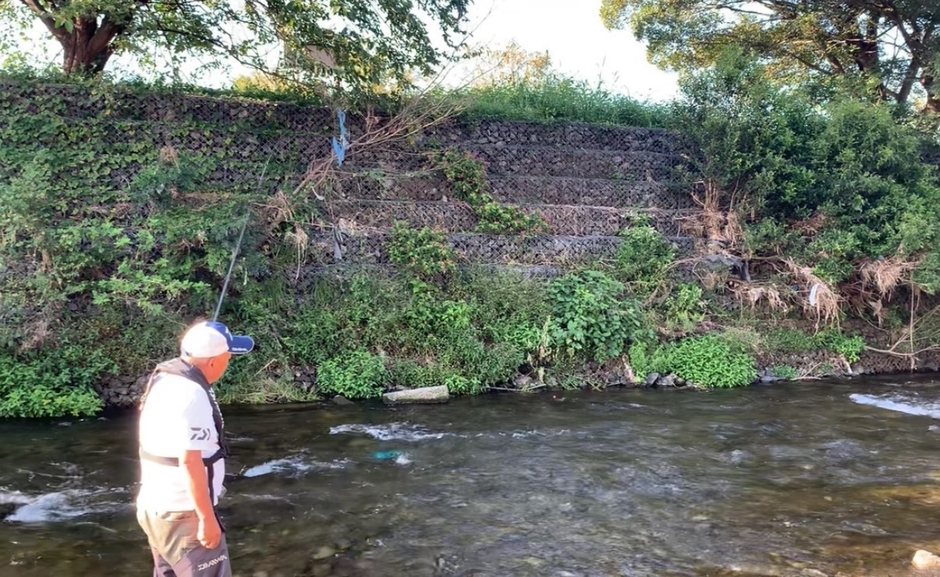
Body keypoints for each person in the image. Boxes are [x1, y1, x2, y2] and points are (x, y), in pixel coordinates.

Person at [135, 320, 254, 577]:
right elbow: (190, 461)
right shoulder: (191, 394)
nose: (228, 362)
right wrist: (206, 519)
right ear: (213, 362)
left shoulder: (166, 378)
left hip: (155, 508)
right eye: (228, 357)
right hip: (184, 515)